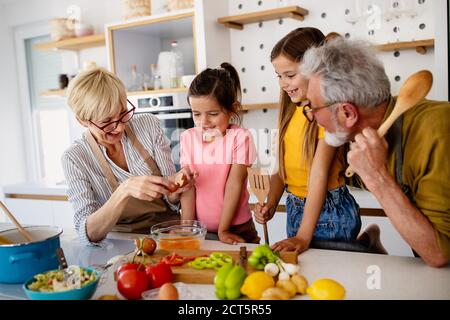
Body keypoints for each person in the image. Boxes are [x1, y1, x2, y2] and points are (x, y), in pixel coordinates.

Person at [300, 37, 449, 267]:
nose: (311, 117)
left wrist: (376, 176)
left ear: (348, 113)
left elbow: (440, 254)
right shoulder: (372, 133)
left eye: (312, 107)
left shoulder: (436, 132)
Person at [253, 27, 373, 254]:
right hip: (296, 208)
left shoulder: (325, 115)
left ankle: (367, 245)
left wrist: (302, 237)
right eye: (279, 76)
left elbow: (318, 175)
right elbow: (282, 168)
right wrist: (270, 202)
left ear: (316, 71)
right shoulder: (291, 112)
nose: (283, 83)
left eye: (290, 75)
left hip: (330, 211)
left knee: (332, 280)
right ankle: (367, 243)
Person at [62, 68, 194, 245]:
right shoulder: (75, 158)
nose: (119, 127)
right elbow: (88, 233)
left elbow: (171, 203)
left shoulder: (148, 125)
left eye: (123, 113)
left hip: (166, 234)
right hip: (118, 244)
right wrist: (124, 190)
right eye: (107, 122)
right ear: (82, 120)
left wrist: (176, 186)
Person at [179, 62, 260, 245]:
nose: (204, 122)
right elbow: (188, 188)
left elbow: (235, 185)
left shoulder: (240, 137)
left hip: (236, 229)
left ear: (232, 109)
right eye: (196, 114)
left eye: (213, 113)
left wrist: (223, 230)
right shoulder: (187, 138)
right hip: (201, 230)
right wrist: (187, 229)